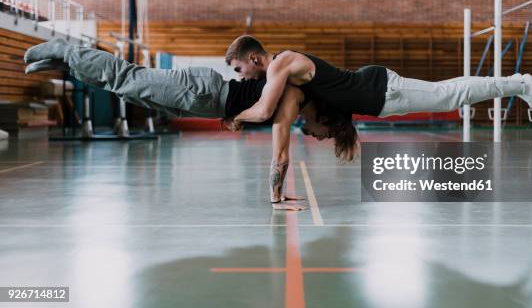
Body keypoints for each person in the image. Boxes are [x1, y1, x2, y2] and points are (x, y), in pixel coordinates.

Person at [24, 38, 357, 210]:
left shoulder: (297, 98)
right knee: (129, 76)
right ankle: (65, 49)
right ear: (325, 117)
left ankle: (66, 64)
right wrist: (275, 198)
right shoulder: (293, 95)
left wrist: (277, 195)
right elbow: (279, 152)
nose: (314, 135)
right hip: (203, 91)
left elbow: (280, 149)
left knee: (125, 90)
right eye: (323, 133)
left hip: (202, 102)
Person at [224, 34, 532, 131]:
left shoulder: (280, 64)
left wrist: (236, 117)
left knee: (449, 96)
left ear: (254, 59)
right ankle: (516, 85)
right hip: (379, 96)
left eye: (239, 69)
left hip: (381, 90)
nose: (241, 77)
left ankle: (519, 83)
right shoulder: (281, 66)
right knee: (449, 95)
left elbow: (265, 109)